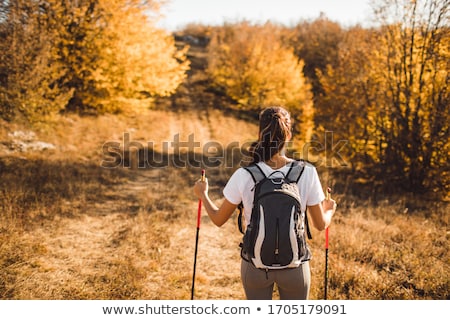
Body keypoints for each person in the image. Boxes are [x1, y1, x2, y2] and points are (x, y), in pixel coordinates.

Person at [193, 106, 336, 300]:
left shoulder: (245, 174)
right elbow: (320, 225)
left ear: (260, 134)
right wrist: (328, 211)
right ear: (289, 134)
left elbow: (218, 219)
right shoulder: (307, 171)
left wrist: (203, 195)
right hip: (295, 267)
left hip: (255, 266)